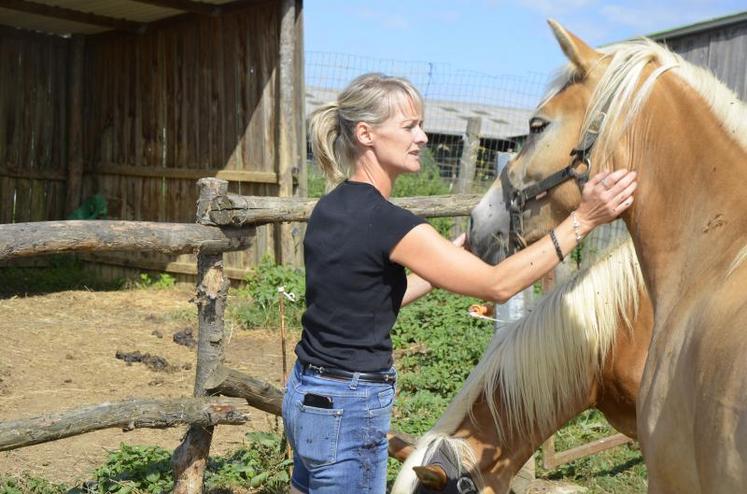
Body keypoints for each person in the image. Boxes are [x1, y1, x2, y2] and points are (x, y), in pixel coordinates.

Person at [282, 73, 637, 494]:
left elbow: (369, 304)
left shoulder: (330, 207)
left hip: (305, 395)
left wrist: (447, 261)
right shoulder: (391, 223)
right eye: (409, 125)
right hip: (349, 410)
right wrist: (584, 220)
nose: (423, 137)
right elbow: (499, 285)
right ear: (366, 134)